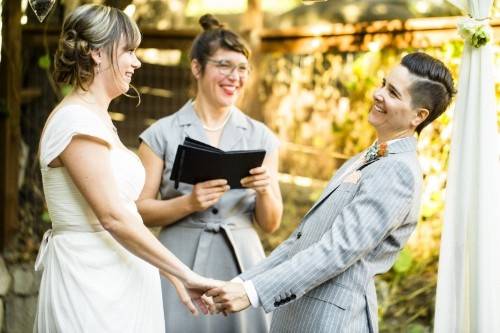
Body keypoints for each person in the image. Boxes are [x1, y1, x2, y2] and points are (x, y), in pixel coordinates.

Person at [207, 52, 456, 333]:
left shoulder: (397, 171)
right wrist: (242, 284)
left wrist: (253, 293)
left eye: (393, 93)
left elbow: (336, 251)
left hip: (331, 322)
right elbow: (301, 241)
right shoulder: (369, 157)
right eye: (384, 84)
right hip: (300, 314)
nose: (378, 93)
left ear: (418, 116)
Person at [35, 4, 220, 332]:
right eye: (129, 51)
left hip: (118, 282)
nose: (137, 61)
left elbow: (125, 215)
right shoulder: (75, 121)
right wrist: (184, 272)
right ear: (96, 54)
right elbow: (113, 217)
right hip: (90, 286)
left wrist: (165, 272)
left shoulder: (98, 119)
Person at [137, 14, 283, 333]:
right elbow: (140, 211)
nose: (235, 76)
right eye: (224, 66)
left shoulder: (263, 138)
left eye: (242, 68)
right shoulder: (160, 135)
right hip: (176, 265)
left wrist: (266, 190)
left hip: (242, 266)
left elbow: (271, 224)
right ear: (196, 67)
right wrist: (188, 203)